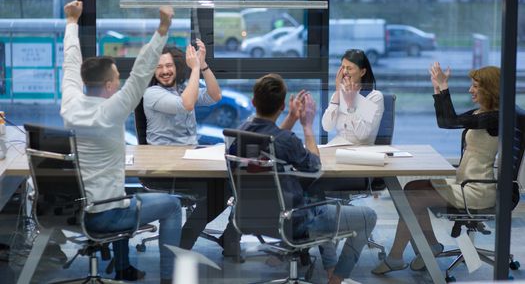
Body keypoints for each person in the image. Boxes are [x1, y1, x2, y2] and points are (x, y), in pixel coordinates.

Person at [60, 0, 181, 284]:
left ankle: (124, 267)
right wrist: (163, 28)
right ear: (111, 85)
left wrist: (71, 22)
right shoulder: (111, 110)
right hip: (106, 215)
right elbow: (142, 71)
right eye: (117, 77)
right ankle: (169, 280)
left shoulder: (70, 104)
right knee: (173, 205)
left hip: (79, 209)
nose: (120, 80)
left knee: (124, 191)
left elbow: (70, 63)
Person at [237, 73, 377, 284]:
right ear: (282, 106)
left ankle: (330, 268)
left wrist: (292, 118)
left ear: (253, 101)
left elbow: (269, 141)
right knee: (368, 216)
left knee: (315, 196)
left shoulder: (239, 135)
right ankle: (337, 279)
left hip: (251, 217)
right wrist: (307, 126)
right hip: (294, 221)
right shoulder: (287, 141)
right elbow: (314, 165)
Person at [371, 63, 500, 275]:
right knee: (412, 188)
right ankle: (431, 245)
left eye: (475, 86)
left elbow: (450, 121)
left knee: (414, 198)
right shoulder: (482, 113)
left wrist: (444, 85)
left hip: (476, 190)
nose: (470, 90)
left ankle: (396, 256)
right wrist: (437, 88)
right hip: (465, 183)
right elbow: (445, 122)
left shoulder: (494, 118)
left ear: (489, 89)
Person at [142, 41, 240, 254]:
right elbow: (186, 104)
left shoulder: (184, 89)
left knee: (237, 182)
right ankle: (185, 241)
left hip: (190, 162)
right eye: (159, 67)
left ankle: (228, 237)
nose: (165, 71)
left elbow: (215, 96)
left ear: (177, 67)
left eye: (169, 66)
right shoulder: (152, 94)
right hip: (165, 169)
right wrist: (195, 69)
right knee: (221, 191)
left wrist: (203, 65)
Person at [322, 49, 384, 145]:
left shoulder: (374, 97)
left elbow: (362, 135)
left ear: (362, 72)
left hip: (361, 151)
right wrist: (338, 92)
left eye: (349, 68)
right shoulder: (339, 94)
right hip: (338, 146)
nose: (345, 72)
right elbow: (327, 127)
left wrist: (351, 104)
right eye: (343, 67)